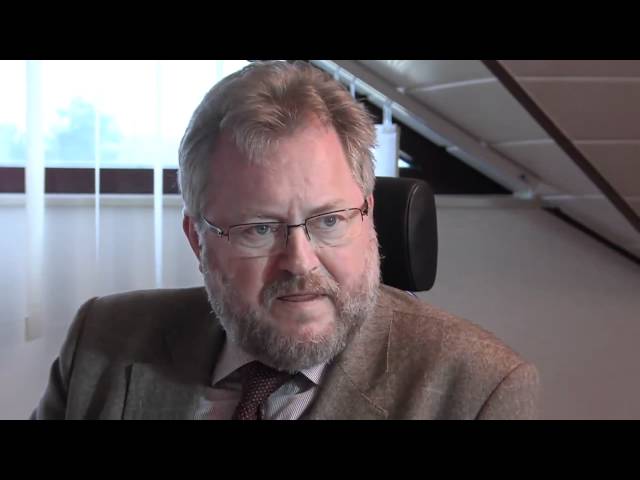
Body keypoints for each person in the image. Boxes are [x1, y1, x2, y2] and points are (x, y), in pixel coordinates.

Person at [31, 60, 540, 420]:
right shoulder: (102, 341)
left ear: (369, 217)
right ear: (197, 239)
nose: (300, 261)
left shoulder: (475, 390)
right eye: (259, 228)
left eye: (329, 220)